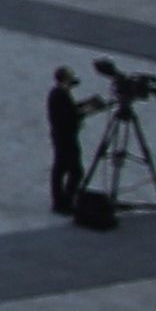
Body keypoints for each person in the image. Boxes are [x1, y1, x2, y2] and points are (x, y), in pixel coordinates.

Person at [46, 69, 88, 218]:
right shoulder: (60, 95)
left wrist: (79, 109)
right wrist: (80, 114)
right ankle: (64, 201)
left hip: (62, 137)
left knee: (62, 169)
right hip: (65, 138)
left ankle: (62, 201)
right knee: (74, 170)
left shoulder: (58, 93)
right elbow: (66, 117)